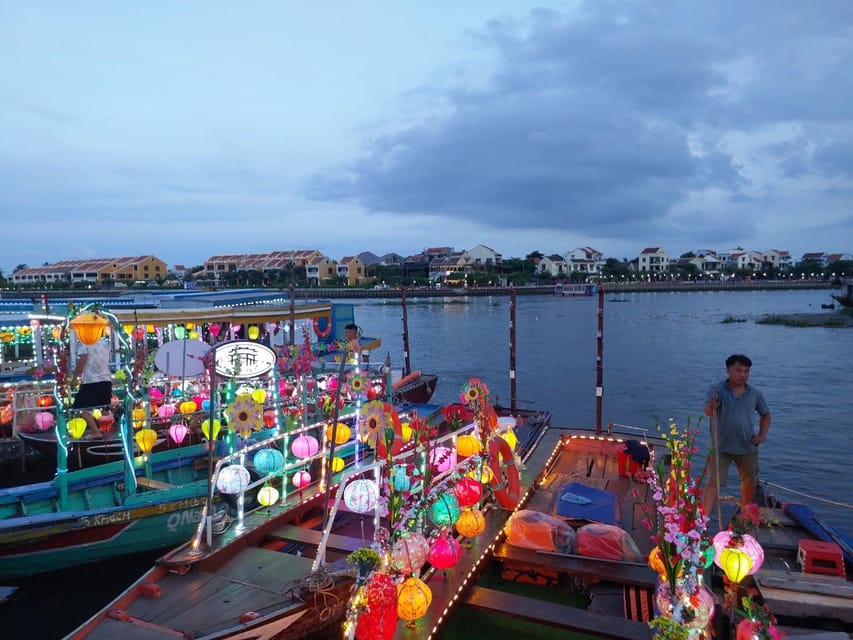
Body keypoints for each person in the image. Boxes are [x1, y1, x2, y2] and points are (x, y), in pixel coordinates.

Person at [702, 354, 771, 515]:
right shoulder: (717, 390)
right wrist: (711, 406)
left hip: (747, 445)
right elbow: (708, 412)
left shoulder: (755, 394)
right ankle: (702, 520)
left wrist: (762, 436)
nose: (743, 375)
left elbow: (766, 415)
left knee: (749, 483)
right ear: (728, 370)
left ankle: (744, 517)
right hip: (721, 445)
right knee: (713, 482)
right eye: (738, 370)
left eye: (746, 371)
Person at [72, 335, 113, 437]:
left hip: (91, 380)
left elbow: (82, 361)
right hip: (106, 379)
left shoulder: (85, 342)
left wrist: (75, 378)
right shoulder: (104, 343)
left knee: (79, 407)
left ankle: (96, 431)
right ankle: (106, 432)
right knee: (104, 409)